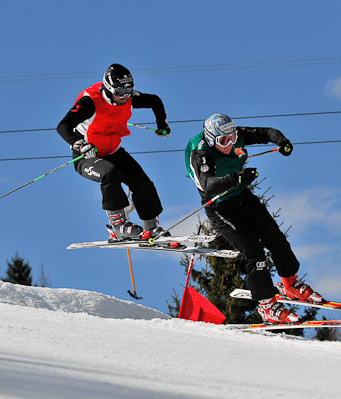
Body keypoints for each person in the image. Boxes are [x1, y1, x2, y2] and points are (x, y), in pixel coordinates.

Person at [185, 113, 323, 324]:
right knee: (253, 249)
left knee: (276, 239)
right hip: (220, 208)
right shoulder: (200, 153)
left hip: (243, 199)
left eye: (232, 139)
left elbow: (266, 132)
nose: (229, 144)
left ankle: (290, 284)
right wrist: (235, 178)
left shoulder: (235, 135)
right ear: (212, 139)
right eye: (223, 141)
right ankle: (266, 305)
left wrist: (282, 141)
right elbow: (208, 184)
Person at [56, 63, 171, 241]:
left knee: (142, 183)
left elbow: (154, 100)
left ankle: (151, 228)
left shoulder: (129, 97)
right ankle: (118, 226)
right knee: (110, 173)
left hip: (113, 151)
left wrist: (162, 124)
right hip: (87, 155)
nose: (124, 97)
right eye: (120, 93)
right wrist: (79, 144)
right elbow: (62, 126)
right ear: (109, 89)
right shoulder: (90, 102)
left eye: (128, 91)